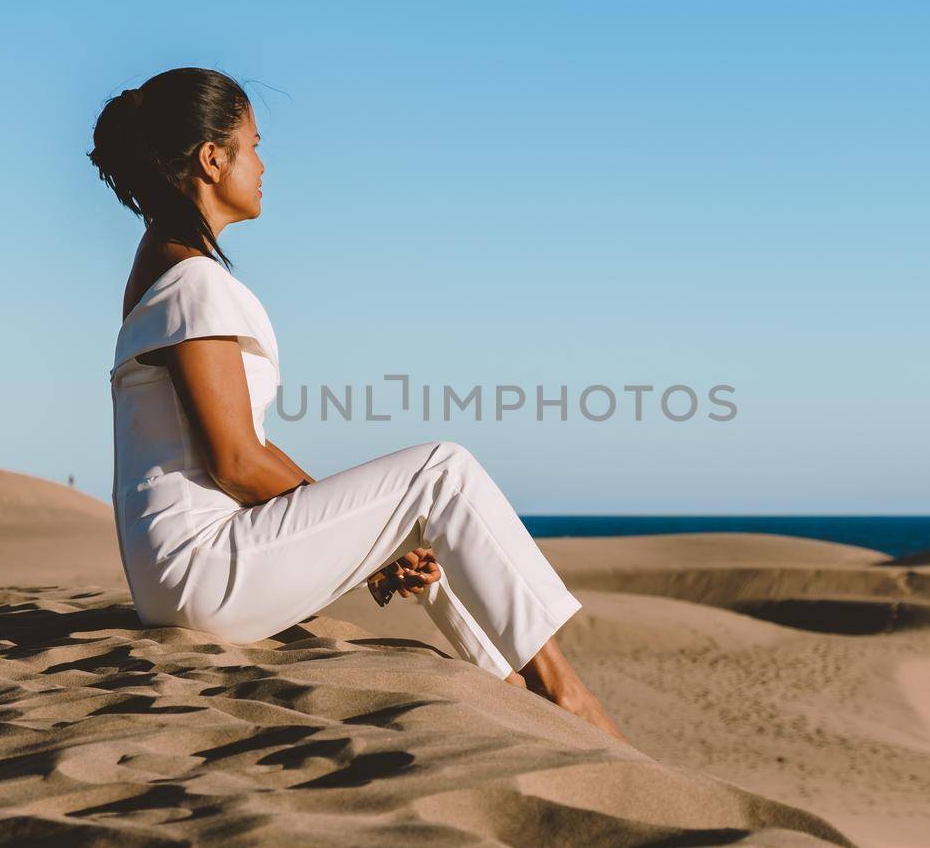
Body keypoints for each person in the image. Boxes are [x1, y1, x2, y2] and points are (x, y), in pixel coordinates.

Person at [89, 67, 625, 742]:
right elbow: (234, 459)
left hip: (181, 578)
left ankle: (510, 686)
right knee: (441, 471)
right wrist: (361, 542)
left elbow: (240, 452)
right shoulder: (191, 283)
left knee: (414, 516)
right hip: (202, 574)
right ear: (212, 158)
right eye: (252, 145)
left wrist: (370, 537)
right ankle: (565, 693)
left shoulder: (163, 267)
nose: (263, 164)